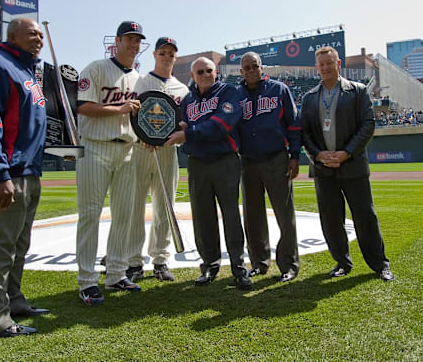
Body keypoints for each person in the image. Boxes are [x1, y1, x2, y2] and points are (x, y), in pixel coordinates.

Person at [0, 18, 49, 339]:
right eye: (32, 34)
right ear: (12, 35)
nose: (38, 39)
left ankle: (13, 302)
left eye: (41, 35)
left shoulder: (28, 72)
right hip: (9, 175)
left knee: (19, 246)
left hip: (30, 172)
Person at [301, 46, 394, 282]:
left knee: (365, 217)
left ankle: (380, 264)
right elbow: (304, 133)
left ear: (338, 64)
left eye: (329, 63)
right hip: (323, 169)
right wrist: (319, 155)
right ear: (316, 67)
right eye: (321, 64)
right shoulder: (309, 98)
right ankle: (342, 262)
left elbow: (367, 125)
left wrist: (346, 153)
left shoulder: (358, 91)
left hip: (353, 166)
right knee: (331, 220)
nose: (325, 68)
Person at [165, 57, 252, 290]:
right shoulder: (188, 100)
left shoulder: (229, 93)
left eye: (209, 70)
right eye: (200, 72)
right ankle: (210, 265)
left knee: (231, 217)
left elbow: (222, 124)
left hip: (225, 160)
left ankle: (238, 268)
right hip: (197, 163)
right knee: (203, 219)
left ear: (216, 72)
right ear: (192, 76)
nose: (205, 74)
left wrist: (189, 133)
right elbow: (182, 126)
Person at [75, 21, 144, 305]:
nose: (133, 44)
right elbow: (83, 105)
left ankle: (116, 274)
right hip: (95, 147)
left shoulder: (141, 79)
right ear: (117, 40)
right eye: (129, 38)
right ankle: (87, 281)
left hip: (128, 149)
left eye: (138, 39)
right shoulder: (96, 68)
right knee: (91, 214)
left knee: (125, 215)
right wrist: (120, 108)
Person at [125, 37, 188, 282]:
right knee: (135, 206)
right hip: (140, 150)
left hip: (167, 151)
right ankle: (133, 261)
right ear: (154, 55)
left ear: (175, 57)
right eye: (162, 53)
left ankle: (160, 260)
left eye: (171, 54)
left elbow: (184, 123)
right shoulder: (139, 81)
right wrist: (141, 135)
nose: (166, 57)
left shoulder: (182, 88)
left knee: (165, 206)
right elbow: (130, 115)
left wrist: (173, 138)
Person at [236, 52, 301, 283]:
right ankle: (259, 262)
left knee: (284, 213)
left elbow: (293, 124)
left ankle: (288, 264)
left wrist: (295, 156)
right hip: (248, 160)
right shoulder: (236, 94)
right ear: (241, 71)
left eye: (255, 66)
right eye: (247, 67)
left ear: (262, 68)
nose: (251, 70)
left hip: (276, 158)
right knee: (253, 216)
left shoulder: (279, 89)